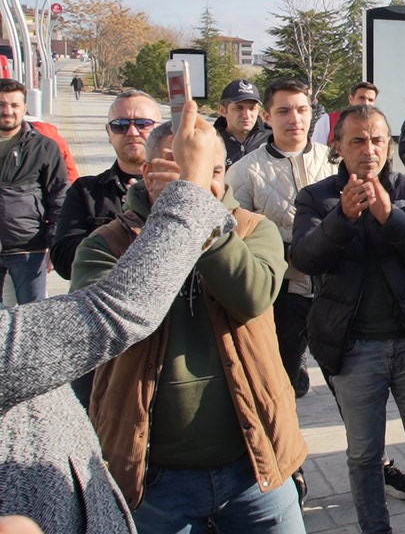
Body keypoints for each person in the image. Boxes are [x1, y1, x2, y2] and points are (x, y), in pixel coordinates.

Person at [0, 100, 238, 534]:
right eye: (121, 123)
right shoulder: (102, 233)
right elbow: (114, 311)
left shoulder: (246, 225)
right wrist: (192, 196)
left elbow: (253, 293)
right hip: (150, 469)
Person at [73, 121, 304, 533]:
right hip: (155, 479)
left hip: (255, 468)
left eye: (212, 172)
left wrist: (199, 219)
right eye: (184, 171)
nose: (201, 185)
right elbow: (106, 328)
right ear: (149, 173)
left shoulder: (253, 228)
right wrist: (173, 224)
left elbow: (251, 296)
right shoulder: (105, 245)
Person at [293, 104, 405, 534]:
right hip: (354, 349)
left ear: (390, 143)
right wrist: (341, 218)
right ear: (339, 146)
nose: (369, 150)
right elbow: (305, 258)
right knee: (364, 455)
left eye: (377, 139)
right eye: (358, 141)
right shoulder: (317, 197)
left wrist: (390, 217)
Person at [225, 78, 336, 398]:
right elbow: (237, 237)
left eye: (302, 110)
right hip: (282, 293)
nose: (294, 118)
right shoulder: (246, 172)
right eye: (284, 110)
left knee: (349, 381)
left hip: (335, 291)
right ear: (268, 117)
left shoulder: (333, 162)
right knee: (280, 382)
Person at [52, 91, 160, 281]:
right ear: (108, 133)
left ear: (160, 130)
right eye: (120, 126)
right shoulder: (86, 191)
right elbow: (64, 260)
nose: (132, 133)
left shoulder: (182, 187)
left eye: (143, 124)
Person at [0, 79, 67, 304]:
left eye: (14, 105)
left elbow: (58, 196)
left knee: (32, 316)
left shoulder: (44, 147)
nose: (7, 111)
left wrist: (54, 242)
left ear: (24, 108)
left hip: (28, 248)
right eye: (1, 104)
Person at [214, 79, 270, 168]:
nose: (246, 115)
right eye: (239, 108)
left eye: (252, 108)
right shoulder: (210, 141)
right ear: (223, 111)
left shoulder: (272, 139)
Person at [312, 81, 379, 145]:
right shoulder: (328, 120)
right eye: (361, 98)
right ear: (351, 99)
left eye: (370, 100)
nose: (366, 103)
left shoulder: (378, 125)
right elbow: (316, 152)